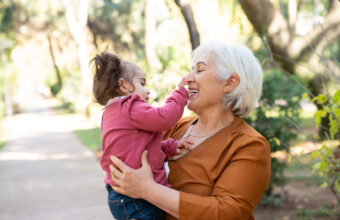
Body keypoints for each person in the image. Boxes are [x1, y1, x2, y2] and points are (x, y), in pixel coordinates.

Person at [108, 42, 272, 220]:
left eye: (199, 70)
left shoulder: (249, 145)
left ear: (230, 82)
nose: (187, 78)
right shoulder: (175, 128)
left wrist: (148, 190)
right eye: (191, 70)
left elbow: (227, 213)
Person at [91, 52, 193, 220]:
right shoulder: (130, 106)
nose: (148, 91)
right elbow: (164, 118)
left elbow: (138, 148)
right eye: (142, 83)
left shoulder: (110, 113)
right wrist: (180, 92)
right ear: (123, 85)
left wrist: (170, 146)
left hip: (121, 196)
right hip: (136, 199)